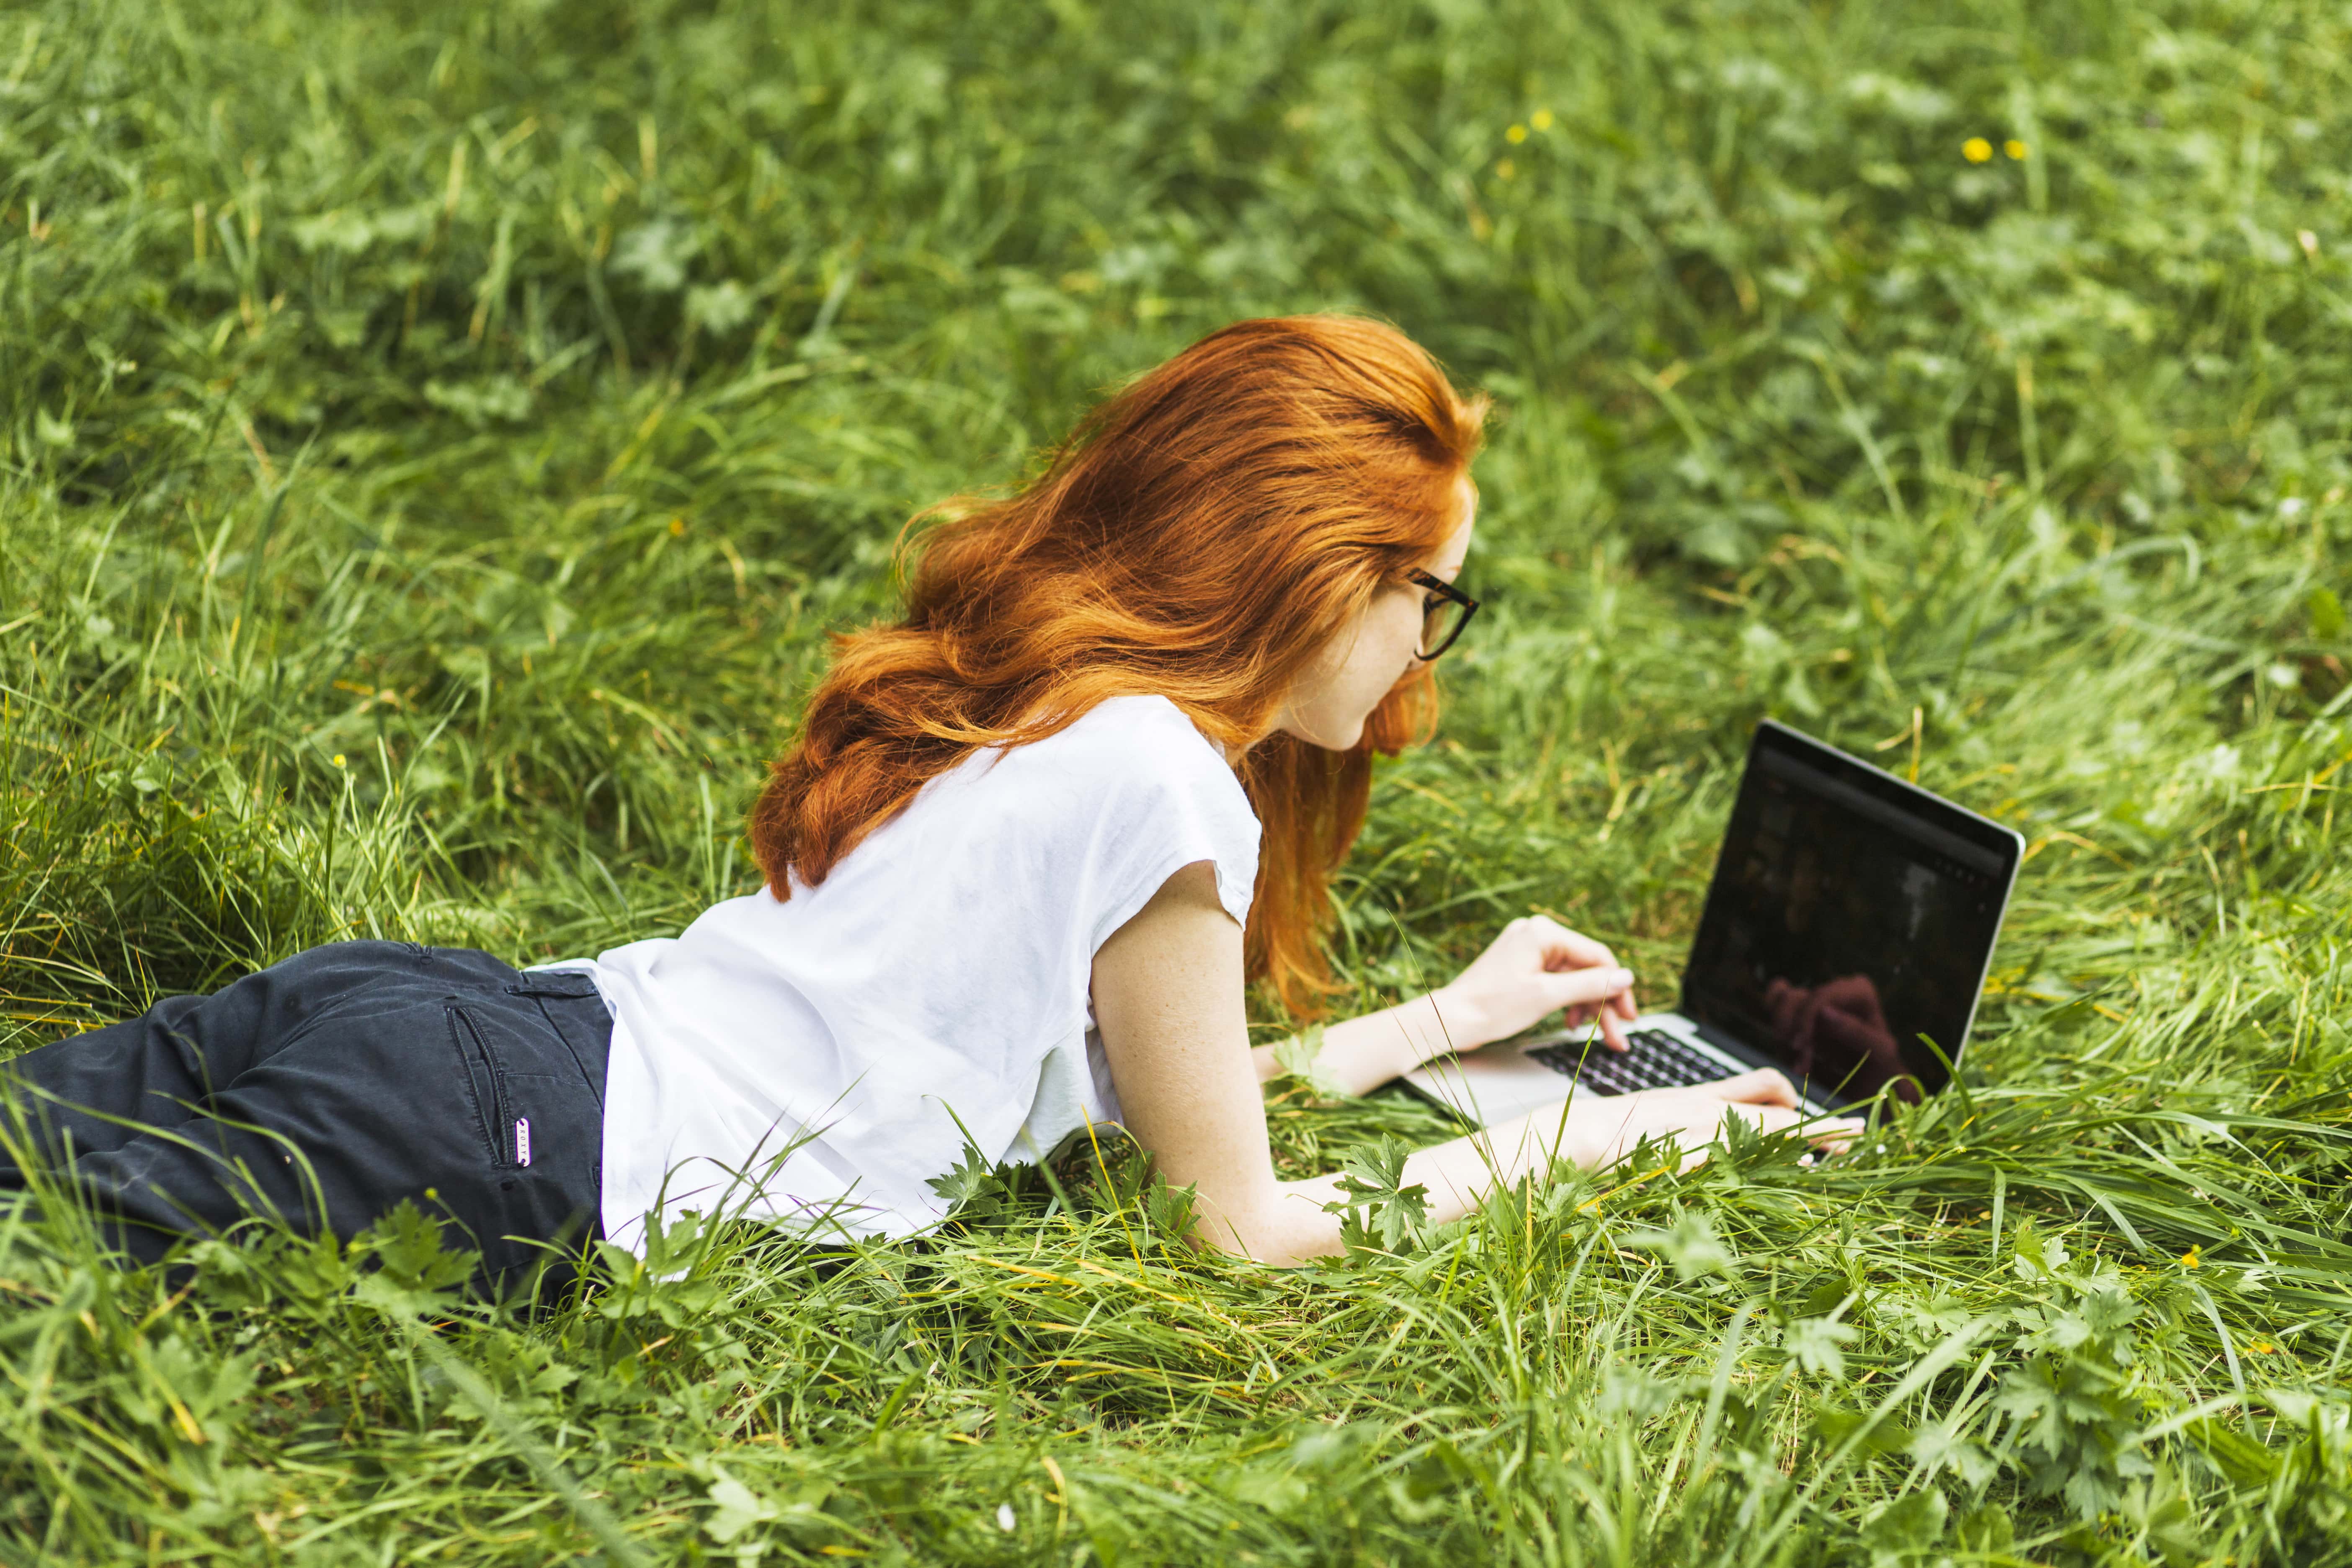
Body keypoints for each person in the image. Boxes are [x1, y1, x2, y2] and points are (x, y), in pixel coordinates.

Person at [0, 316, 1855, 1283]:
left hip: (467, 1029)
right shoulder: (1166, 785)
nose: (1429, 650)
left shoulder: (1073, 698)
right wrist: (1605, 1142)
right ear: (1318, 575)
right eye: (1430, 596)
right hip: (511, 1154)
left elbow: (1150, 1106)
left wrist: (1451, 1024)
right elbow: (1248, 1229)